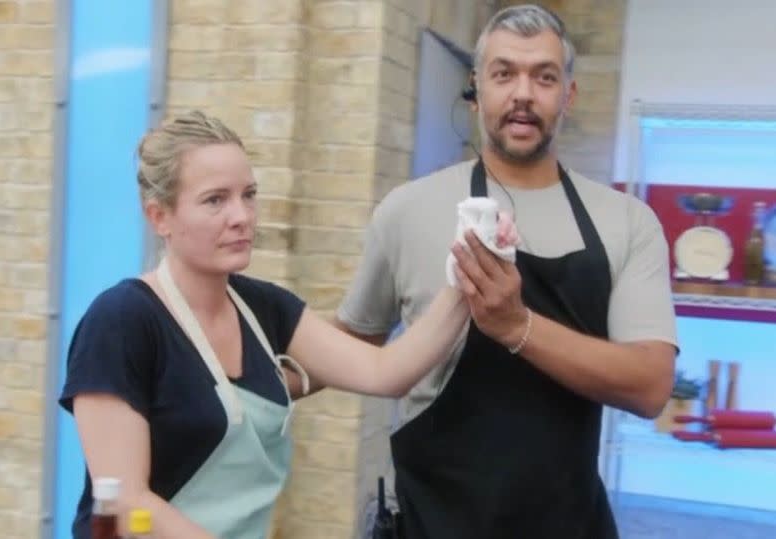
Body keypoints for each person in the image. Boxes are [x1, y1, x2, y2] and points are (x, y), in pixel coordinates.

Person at [58, 110, 517, 539]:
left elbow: (386, 372)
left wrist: (466, 277)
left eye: (248, 195)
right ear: (159, 216)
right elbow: (126, 505)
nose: (242, 217)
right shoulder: (122, 322)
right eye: (215, 200)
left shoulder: (265, 309)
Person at [337, 5, 678, 539]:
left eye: (544, 76)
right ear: (476, 88)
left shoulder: (627, 222)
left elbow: (651, 384)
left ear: (569, 94)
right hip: (432, 521)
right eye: (504, 74)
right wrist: (245, 357)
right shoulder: (406, 210)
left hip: (567, 523)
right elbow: (350, 343)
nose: (523, 93)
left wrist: (518, 327)